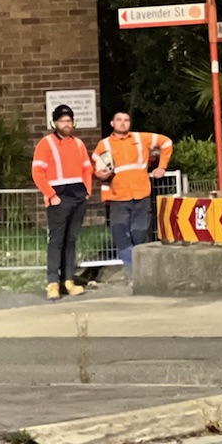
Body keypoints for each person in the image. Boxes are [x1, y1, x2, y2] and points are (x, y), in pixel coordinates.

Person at [92, 110, 173, 274]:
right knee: (120, 234)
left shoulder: (139, 138)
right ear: (112, 124)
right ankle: (135, 271)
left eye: (126, 120)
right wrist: (100, 174)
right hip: (117, 197)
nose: (123, 123)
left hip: (141, 195)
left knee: (140, 234)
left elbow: (166, 143)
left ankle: (144, 272)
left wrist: (162, 166)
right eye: (119, 120)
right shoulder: (104, 144)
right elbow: (97, 167)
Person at [32, 104, 94, 299]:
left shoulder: (78, 144)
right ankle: (52, 282)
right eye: (62, 121)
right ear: (55, 123)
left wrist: (87, 191)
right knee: (56, 241)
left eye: (69, 121)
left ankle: (68, 280)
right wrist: (51, 195)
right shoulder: (46, 143)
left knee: (71, 240)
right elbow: (37, 172)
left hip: (77, 194)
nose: (66, 124)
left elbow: (87, 169)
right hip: (58, 196)